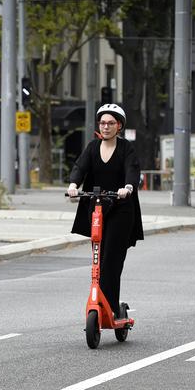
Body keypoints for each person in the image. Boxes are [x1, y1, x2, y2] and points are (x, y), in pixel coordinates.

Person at [67, 104, 144, 319]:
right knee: (97, 258)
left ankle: (109, 305)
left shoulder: (126, 148)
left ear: (119, 126)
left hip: (121, 210)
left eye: (111, 123)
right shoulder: (92, 147)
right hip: (98, 208)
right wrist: (74, 185)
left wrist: (128, 187)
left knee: (111, 257)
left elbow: (132, 170)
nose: (106, 126)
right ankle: (100, 302)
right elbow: (79, 168)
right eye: (102, 123)